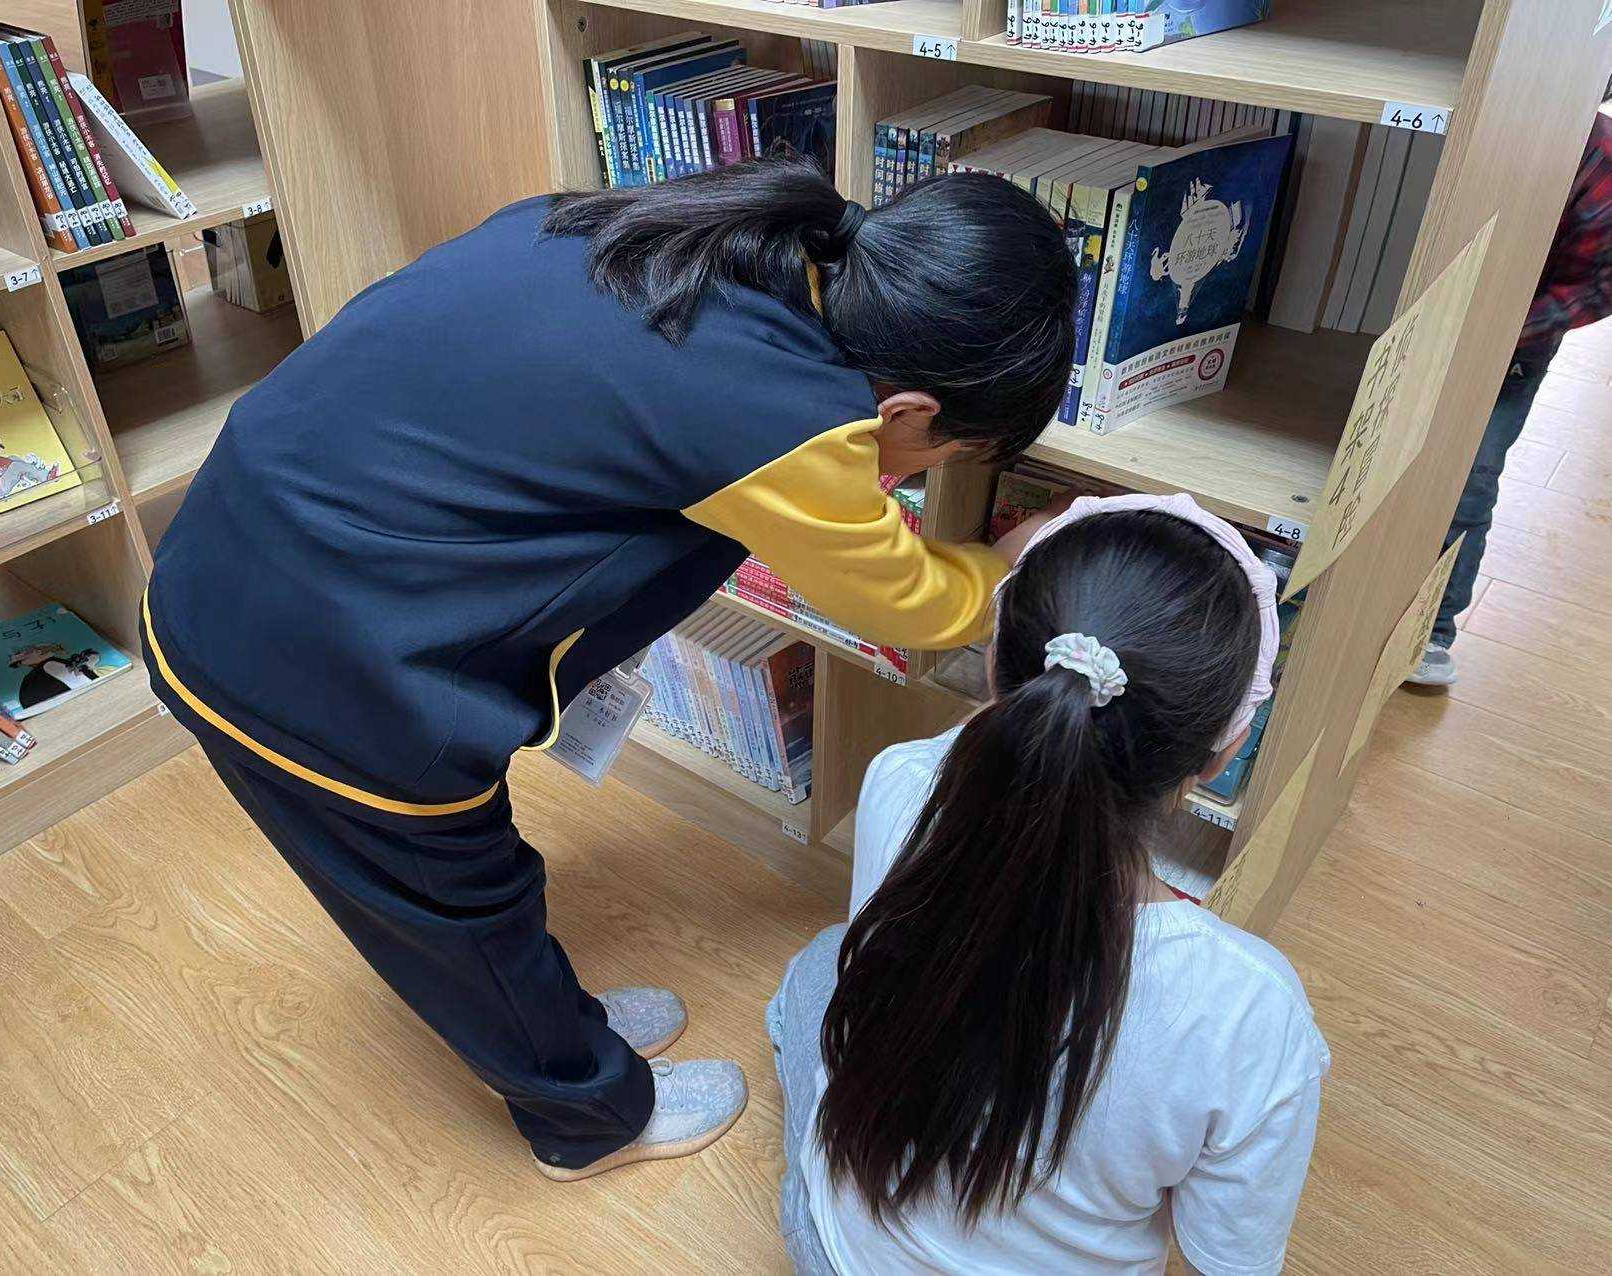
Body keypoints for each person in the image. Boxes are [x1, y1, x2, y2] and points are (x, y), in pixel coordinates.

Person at [142, 152, 1078, 1180]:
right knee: (458, 897)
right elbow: (895, 599)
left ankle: (553, 1019)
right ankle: (586, 1114)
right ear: (909, 413)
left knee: (469, 885)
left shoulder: (676, 234)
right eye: (951, 457)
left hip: (263, 533)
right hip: (302, 649)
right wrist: (1008, 569)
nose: (929, 471)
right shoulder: (788, 416)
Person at [768, 494, 1331, 1274]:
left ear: (995, 667)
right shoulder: (1248, 1009)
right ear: (1227, 748)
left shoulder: (898, 781)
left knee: (821, 968)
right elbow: (1229, 1261)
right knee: (821, 967)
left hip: (838, 1254)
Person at [1411, 102, 1612, 685]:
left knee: (1470, 478)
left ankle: (1433, 629)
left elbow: (1593, 288)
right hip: (1404, 311)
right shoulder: (1474, 121)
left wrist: (1491, 329)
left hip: (1512, 345)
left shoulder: (1599, 162)